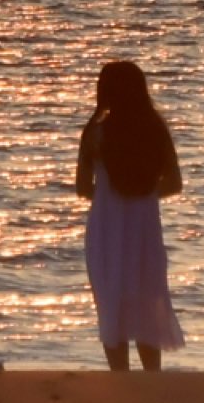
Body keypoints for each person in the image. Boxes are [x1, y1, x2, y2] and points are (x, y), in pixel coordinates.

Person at [71, 59, 185, 369]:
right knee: (147, 299)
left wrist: (110, 197)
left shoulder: (94, 135)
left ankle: (119, 376)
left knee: (111, 302)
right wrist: (145, 195)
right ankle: (152, 378)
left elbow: (82, 188)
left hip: (105, 228)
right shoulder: (156, 130)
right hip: (145, 228)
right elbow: (175, 183)